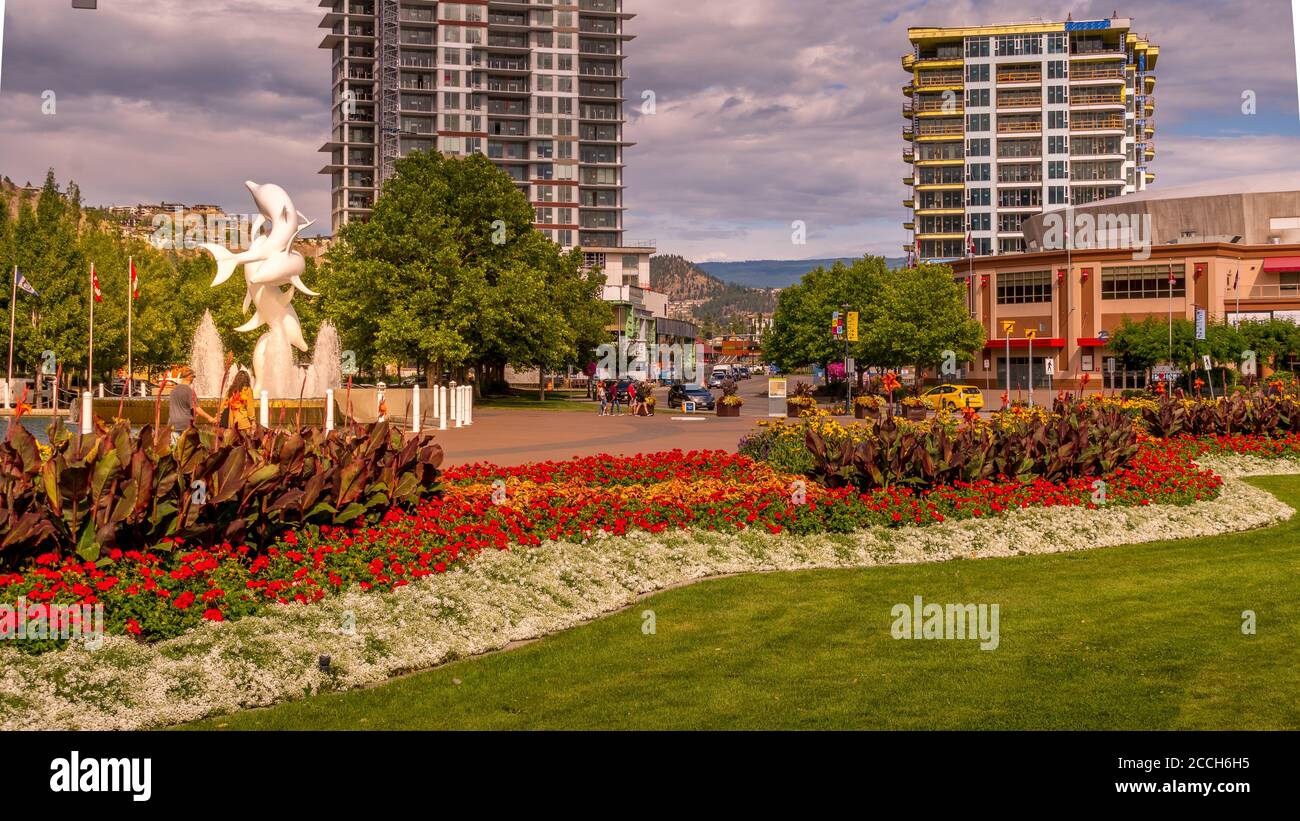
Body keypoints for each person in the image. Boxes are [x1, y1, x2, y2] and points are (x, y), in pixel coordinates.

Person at [168, 367, 216, 443]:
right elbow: (196, 408)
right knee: (188, 450)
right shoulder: (189, 391)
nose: (194, 379)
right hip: (185, 425)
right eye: (193, 377)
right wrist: (209, 418)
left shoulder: (173, 390)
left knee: (174, 449)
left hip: (173, 424)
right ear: (190, 377)